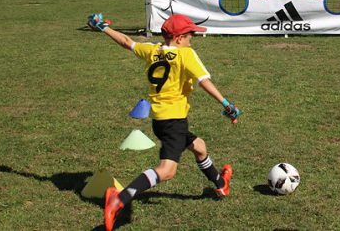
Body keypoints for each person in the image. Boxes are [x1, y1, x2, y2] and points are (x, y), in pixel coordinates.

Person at [87, 13, 242, 231]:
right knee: (167, 170)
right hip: (174, 121)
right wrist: (227, 104)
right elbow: (204, 81)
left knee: (199, 147)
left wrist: (102, 27)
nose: (191, 39)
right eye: (190, 35)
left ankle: (220, 184)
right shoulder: (186, 54)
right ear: (179, 38)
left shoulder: (153, 50)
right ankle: (119, 199)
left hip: (160, 121)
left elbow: (126, 41)